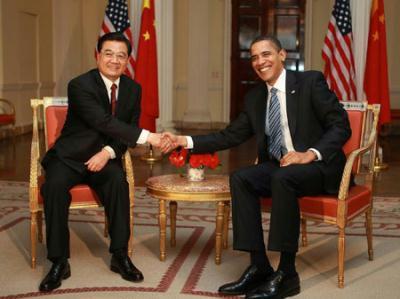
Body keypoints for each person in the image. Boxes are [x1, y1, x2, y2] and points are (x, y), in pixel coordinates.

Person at [162, 35, 351, 299]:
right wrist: (185, 140)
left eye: (266, 54)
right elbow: (229, 136)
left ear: (282, 55)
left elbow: (341, 125)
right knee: (241, 178)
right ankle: (259, 266)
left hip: (319, 166)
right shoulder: (255, 98)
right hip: (282, 166)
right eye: (254, 57)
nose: (260, 62)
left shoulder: (310, 82)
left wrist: (309, 154)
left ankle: (287, 274)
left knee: (283, 178)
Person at [39, 32, 167, 292]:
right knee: (53, 187)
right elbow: (103, 122)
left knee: (118, 182)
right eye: (109, 53)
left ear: (127, 59)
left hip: (104, 156)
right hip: (70, 157)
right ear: (97, 55)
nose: (115, 60)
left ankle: (120, 256)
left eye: (121, 55)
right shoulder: (80, 85)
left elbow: (125, 131)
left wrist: (107, 153)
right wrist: (150, 137)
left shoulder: (133, 89)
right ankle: (59, 261)